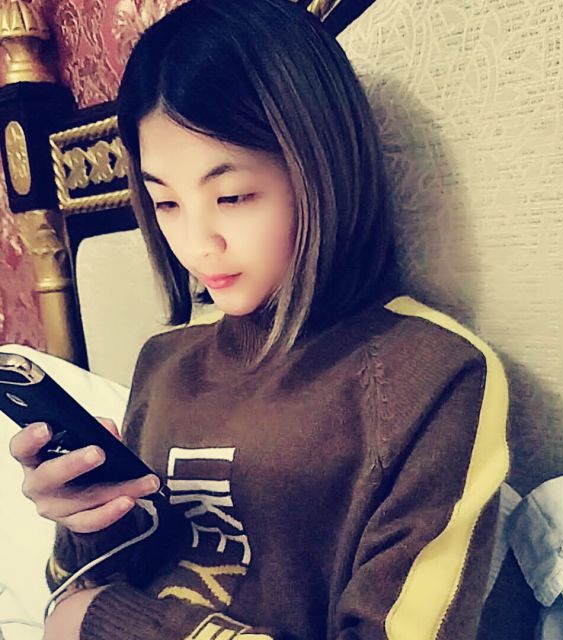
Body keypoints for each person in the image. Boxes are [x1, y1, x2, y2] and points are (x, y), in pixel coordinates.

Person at [8, 0, 509, 638]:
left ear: (321, 166)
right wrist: (85, 522)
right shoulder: (164, 363)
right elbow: (77, 594)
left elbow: (87, 615)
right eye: (165, 202)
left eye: (232, 195)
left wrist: (109, 621)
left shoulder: (431, 376)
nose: (197, 245)